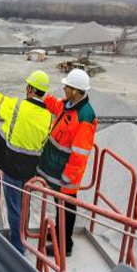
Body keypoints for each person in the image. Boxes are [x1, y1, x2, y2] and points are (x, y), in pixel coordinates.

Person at [0, 70, 52, 254]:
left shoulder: (18, 106)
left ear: (30, 88)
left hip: (12, 165)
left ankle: (17, 247)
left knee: (13, 207)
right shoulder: (48, 117)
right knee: (24, 205)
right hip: (30, 169)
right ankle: (23, 237)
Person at [36, 68, 98, 257]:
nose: (64, 88)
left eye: (67, 86)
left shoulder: (85, 116)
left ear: (77, 90)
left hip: (68, 174)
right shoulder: (70, 104)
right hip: (58, 168)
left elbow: (80, 153)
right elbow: (57, 107)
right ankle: (59, 235)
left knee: (66, 207)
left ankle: (64, 246)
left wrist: (68, 176)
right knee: (59, 204)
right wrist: (41, 96)